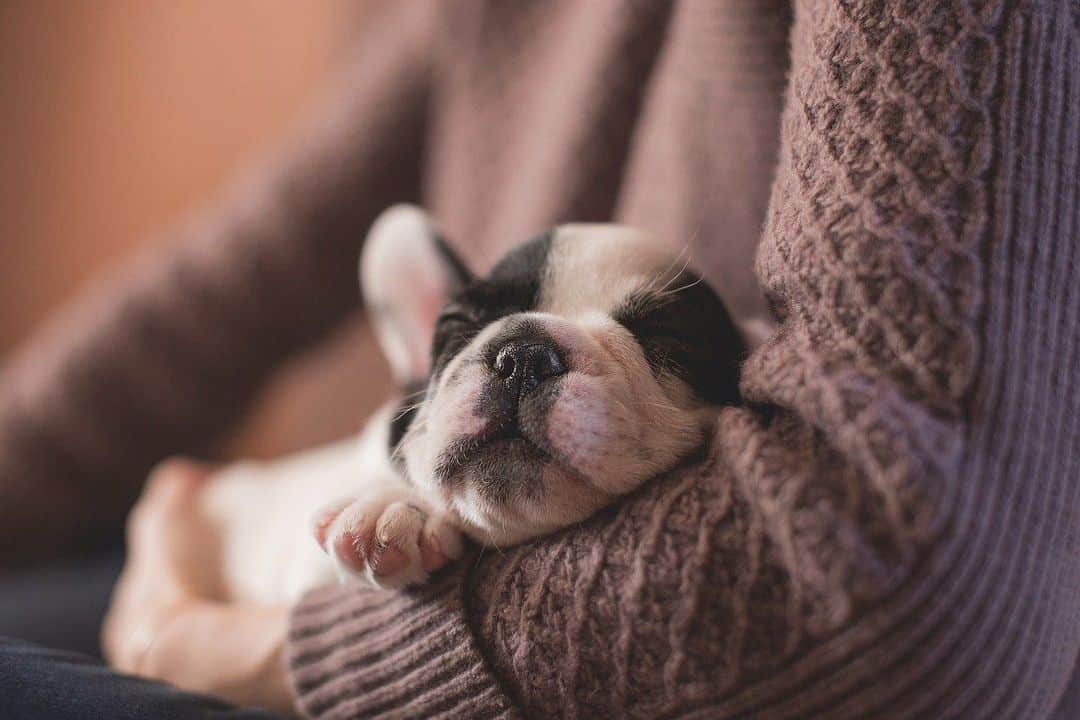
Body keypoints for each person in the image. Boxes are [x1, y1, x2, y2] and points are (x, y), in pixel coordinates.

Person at [1, 1, 1078, 718]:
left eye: (653, 341)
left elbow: (906, 584)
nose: (519, 362)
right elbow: (216, 288)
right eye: (480, 335)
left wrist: (210, 639)